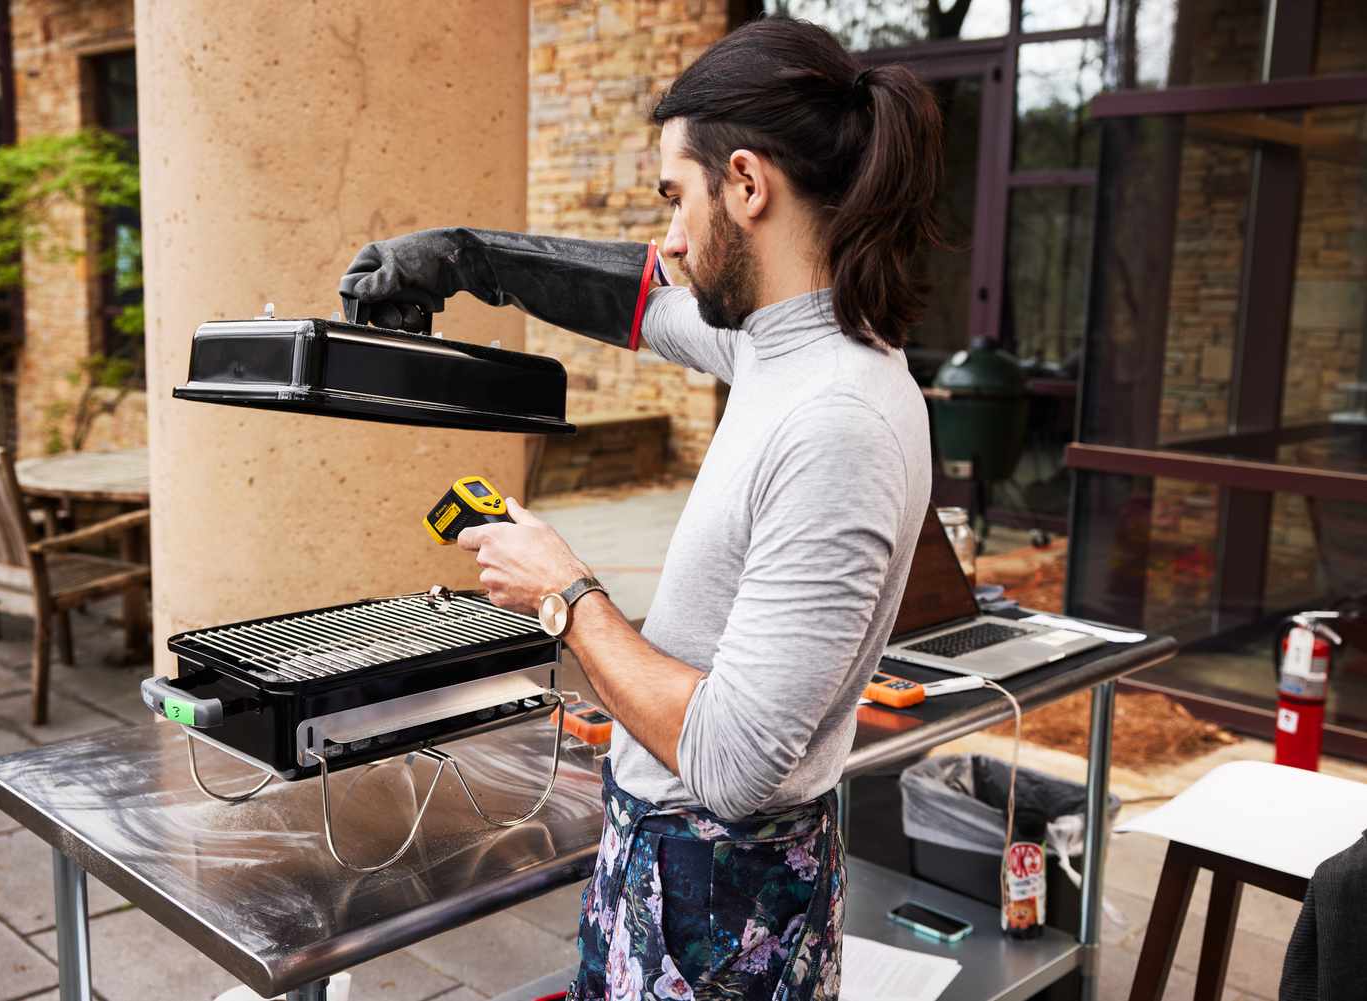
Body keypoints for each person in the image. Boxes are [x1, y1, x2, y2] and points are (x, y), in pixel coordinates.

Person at [339, 16, 942, 1000]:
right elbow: (640, 297)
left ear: (746, 184)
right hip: (667, 857)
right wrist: (464, 258)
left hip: (722, 891)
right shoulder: (779, 347)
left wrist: (565, 593)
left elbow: (734, 760)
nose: (666, 239)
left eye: (676, 197)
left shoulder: (840, 419)